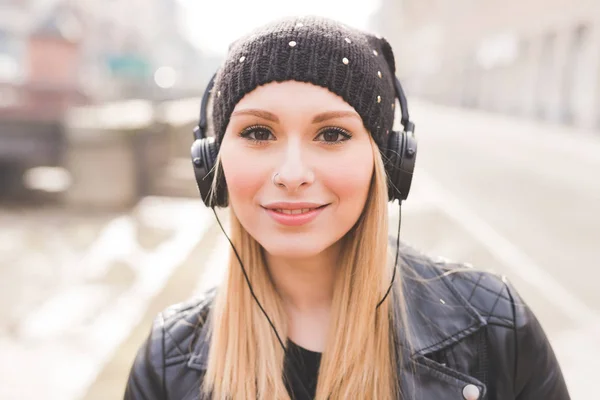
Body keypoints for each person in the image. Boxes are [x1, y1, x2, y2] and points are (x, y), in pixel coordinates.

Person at [124, 16, 570, 400]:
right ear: (211, 163)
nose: (292, 173)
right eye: (258, 132)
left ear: (388, 160)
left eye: (332, 135)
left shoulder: (495, 330)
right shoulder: (168, 360)